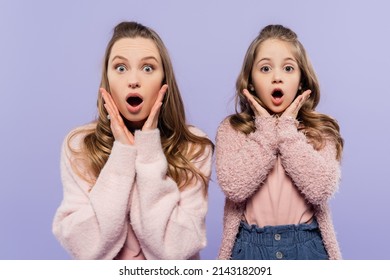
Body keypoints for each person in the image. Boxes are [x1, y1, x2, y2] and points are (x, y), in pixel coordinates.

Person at [52, 21, 213, 260]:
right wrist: (122, 155)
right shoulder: (79, 146)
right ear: (106, 79)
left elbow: (173, 250)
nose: (134, 80)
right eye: (120, 68)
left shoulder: (194, 146)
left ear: (164, 80)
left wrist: (148, 152)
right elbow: (87, 247)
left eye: (148, 68)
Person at [216, 24, 343, 260]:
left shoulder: (320, 130)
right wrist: (265, 131)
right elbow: (234, 186)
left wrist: (286, 130)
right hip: (250, 247)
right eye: (265, 68)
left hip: (306, 246)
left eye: (288, 68)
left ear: (302, 80)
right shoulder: (233, 129)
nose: (277, 77)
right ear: (250, 82)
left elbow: (321, 189)